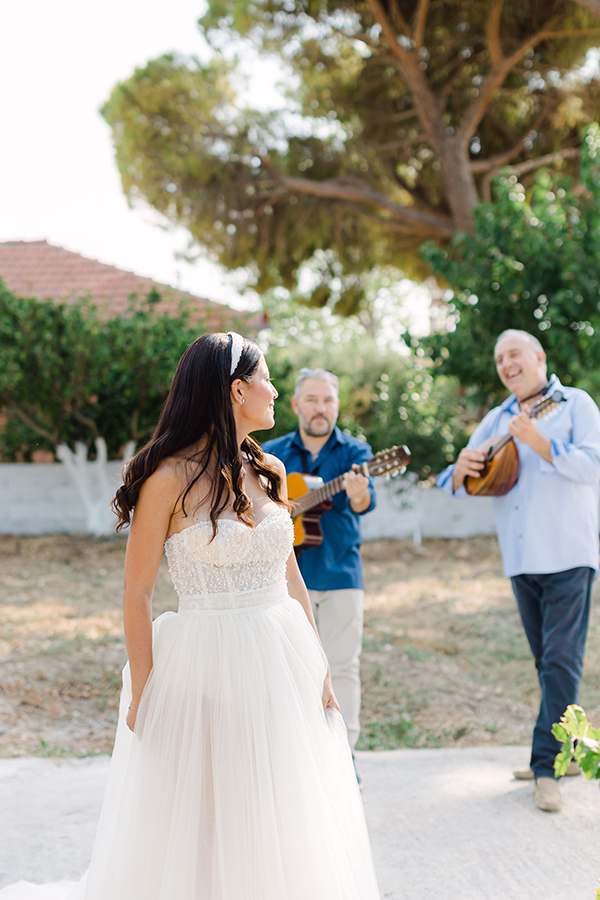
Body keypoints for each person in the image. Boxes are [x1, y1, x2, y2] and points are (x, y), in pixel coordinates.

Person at [0, 334, 380, 900]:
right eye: (268, 379)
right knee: (208, 810)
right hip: (204, 660)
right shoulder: (169, 479)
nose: (275, 391)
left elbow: (289, 574)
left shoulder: (270, 467)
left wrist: (319, 662)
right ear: (236, 390)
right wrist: (144, 691)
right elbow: (136, 591)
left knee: (279, 803)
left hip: (281, 655)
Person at [437, 329, 600, 813]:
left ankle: (544, 768)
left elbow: (595, 467)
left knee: (560, 664)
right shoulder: (496, 418)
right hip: (521, 559)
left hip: (569, 554)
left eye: (514, 354)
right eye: (499, 358)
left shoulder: (576, 405)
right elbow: (453, 482)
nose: (506, 363)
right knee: (548, 666)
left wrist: (543, 444)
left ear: (539, 357)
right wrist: (461, 467)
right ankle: (569, 751)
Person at [263, 368, 375, 754]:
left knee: (343, 666)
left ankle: (344, 755)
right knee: (291, 667)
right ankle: (297, 751)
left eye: (328, 400)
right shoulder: (271, 452)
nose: (320, 408)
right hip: (286, 578)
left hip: (342, 571)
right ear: (295, 404)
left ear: (337, 406)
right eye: (312, 399)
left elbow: (362, 503)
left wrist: (358, 490)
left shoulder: (356, 454)